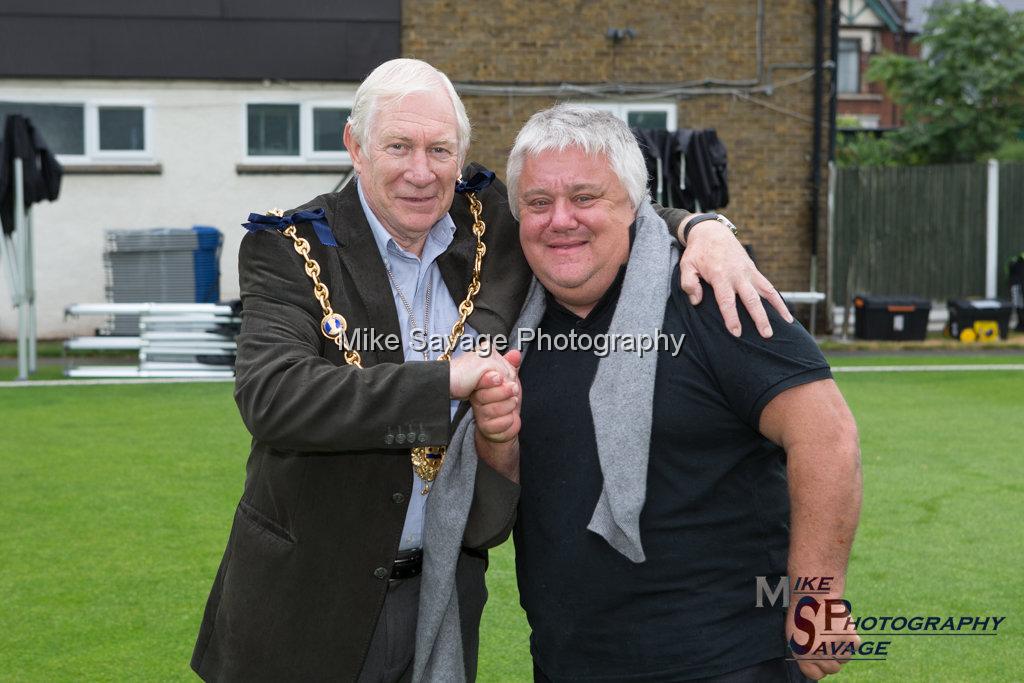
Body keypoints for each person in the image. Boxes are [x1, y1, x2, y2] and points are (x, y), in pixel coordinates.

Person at [191, 58, 793, 682]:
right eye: (398, 146)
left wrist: (701, 228)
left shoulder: (495, 223)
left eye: (439, 149)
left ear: (462, 154)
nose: (421, 173)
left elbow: (598, 204)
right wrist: (448, 380)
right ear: (356, 146)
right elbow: (272, 396)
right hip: (306, 607)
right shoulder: (289, 248)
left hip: (444, 594)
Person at [459, 104, 863, 682]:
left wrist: (817, 598)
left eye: (586, 197)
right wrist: (495, 437)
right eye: (539, 203)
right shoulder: (510, 324)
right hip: (570, 660)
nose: (561, 219)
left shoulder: (717, 294)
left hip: (730, 659)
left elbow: (828, 436)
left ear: (633, 206)